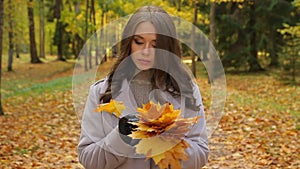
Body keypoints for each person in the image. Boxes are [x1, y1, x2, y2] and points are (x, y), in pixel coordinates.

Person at [78, 5, 209, 169]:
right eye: (139, 42)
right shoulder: (101, 92)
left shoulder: (186, 90)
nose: (145, 52)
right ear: (129, 42)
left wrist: (171, 143)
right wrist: (120, 137)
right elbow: (88, 159)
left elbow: (201, 153)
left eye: (155, 45)